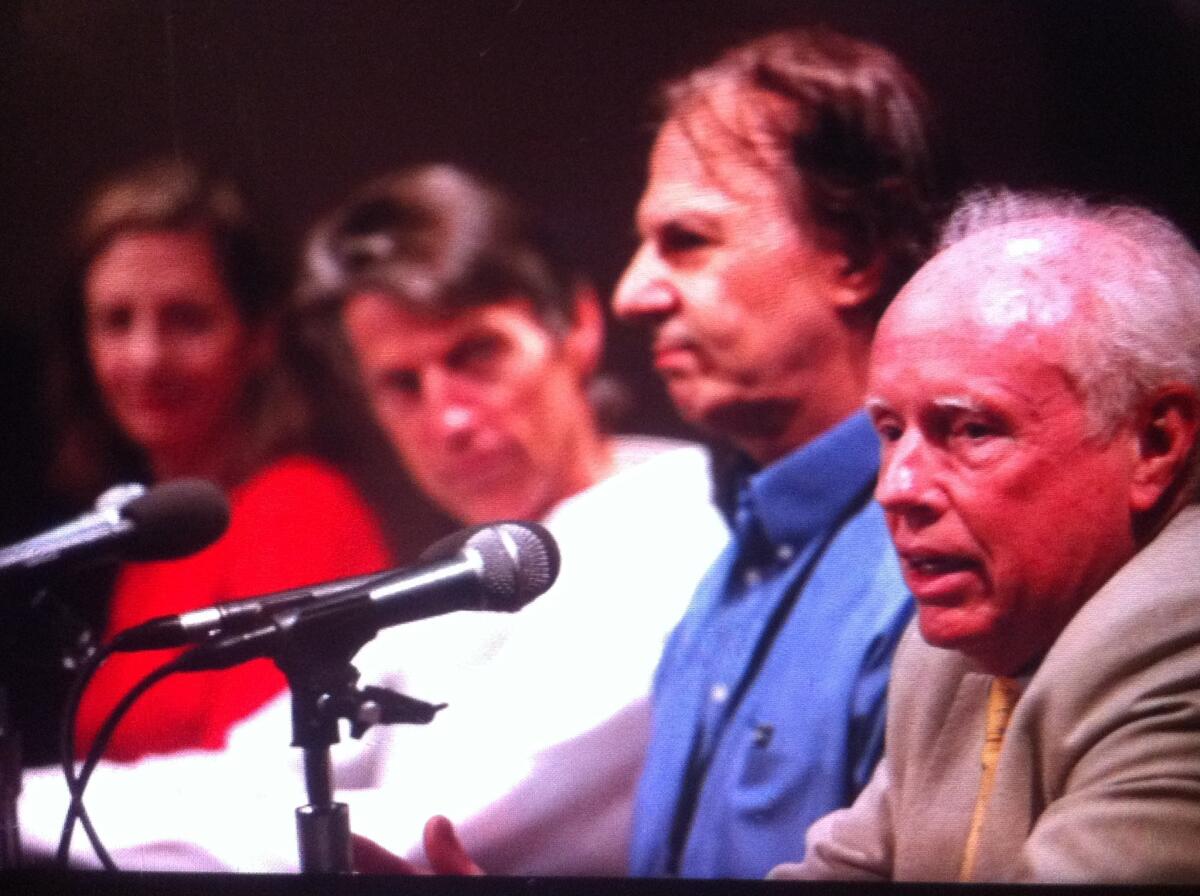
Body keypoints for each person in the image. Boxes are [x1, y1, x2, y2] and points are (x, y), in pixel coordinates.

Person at [18, 164, 728, 873]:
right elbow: (252, 769)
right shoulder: (470, 568)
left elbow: (431, 827)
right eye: (401, 384)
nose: (447, 419)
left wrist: (22, 815)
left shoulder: (675, 531)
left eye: (476, 354)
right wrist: (20, 800)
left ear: (576, 326)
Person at [770, 189, 1200, 883]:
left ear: (1156, 442)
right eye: (889, 432)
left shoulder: (1178, 637)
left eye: (971, 429)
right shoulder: (946, 656)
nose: (897, 487)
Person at [612, 28, 945, 877]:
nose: (633, 294)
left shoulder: (937, 566)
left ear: (856, 254)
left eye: (688, 240)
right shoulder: (718, 587)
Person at [42, 159, 390, 762]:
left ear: (261, 337)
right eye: (115, 321)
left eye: (187, 320)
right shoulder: (145, 542)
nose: (146, 358)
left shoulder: (297, 506)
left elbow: (254, 793)